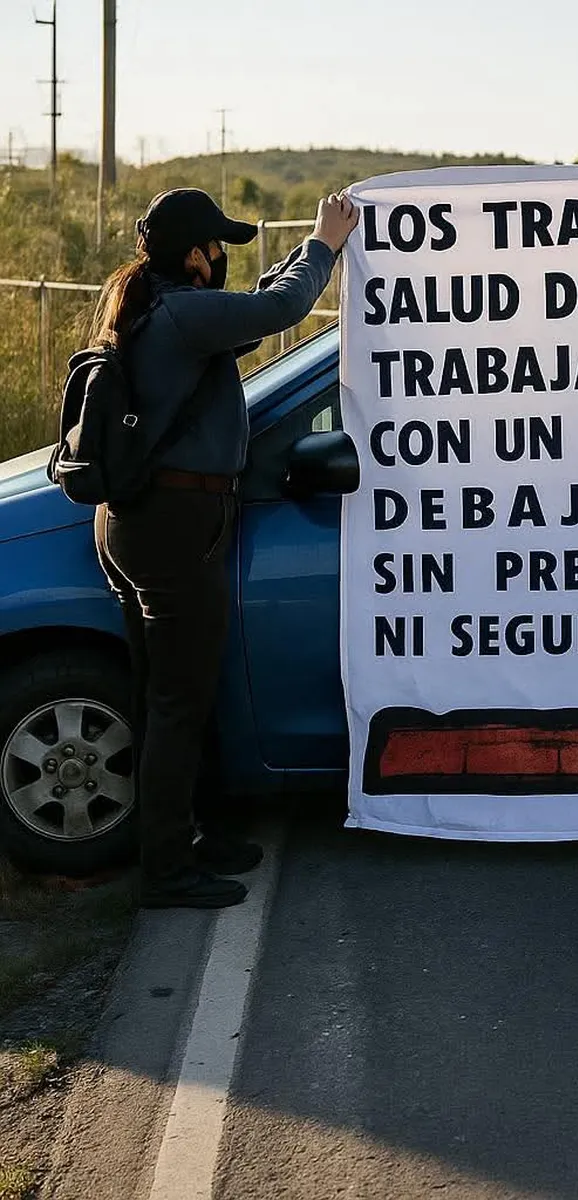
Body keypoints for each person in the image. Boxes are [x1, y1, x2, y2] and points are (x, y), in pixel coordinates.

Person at [89, 187, 359, 908]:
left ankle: (186, 837)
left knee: (165, 698)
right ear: (192, 255)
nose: (224, 258)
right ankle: (169, 871)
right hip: (174, 527)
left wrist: (288, 273)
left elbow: (254, 317)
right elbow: (279, 311)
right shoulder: (181, 312)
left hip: (146, 521)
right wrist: (324, 243)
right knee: (178, 702)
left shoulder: (163, 308)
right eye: (218, 247)